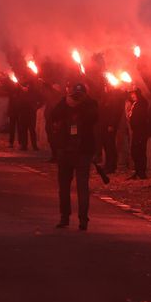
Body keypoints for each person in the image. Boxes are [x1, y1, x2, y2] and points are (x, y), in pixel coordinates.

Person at [49, 83, 100, 230]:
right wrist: (68, 101)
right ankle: (78, 219)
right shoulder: (87, 103)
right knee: (77, 187)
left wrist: (70, 103)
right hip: (70, 150)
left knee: (70, 187)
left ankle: (69, 218)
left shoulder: (87, 104)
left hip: (77, 150)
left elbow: (92, 118)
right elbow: (54, 115)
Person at [125, 87, 151, 180]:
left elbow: (140, 118)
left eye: (134, 94)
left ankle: (142, 172)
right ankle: (137, 170)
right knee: (135, 151)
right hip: (136, 131)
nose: (132, 96)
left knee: (140, 151)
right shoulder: (135, 104)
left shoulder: (142, 104)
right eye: (131, 95)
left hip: (141, 131)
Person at [98, 84, 124, 174]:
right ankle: (107, 164)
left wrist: (112, 124)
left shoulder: (114, 98)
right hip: (103, 125)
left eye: (107, 86)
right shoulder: (106, 96)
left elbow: (115, 112)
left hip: (109, 126)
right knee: (106, 145)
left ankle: (111, 165)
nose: (105, 88)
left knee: (110, 146)